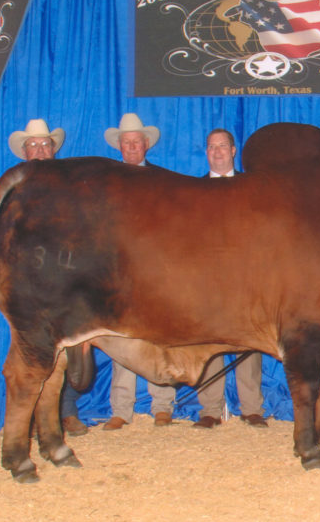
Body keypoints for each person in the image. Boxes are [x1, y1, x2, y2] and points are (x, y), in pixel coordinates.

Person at [7, 119, 89, 437]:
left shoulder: (71, 186)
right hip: (28, 283)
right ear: (25, 152)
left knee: (69, 352)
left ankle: (65, 413)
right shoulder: (13, 188)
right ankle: (25, 417)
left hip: (65, 280)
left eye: (45, 146)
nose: (40, 151)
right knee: (28, 351)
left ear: (53, 150)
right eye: (34, 146)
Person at [101, 113, 177, 430]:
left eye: (137, 141)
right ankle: (121, 409)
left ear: (146, 144)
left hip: (156, 270)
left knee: (159, 336)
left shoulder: (163, 180)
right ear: (120, 146)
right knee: (122, 338)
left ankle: (162, 405)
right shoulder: (106, 181)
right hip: (119, 271)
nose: (132, 146)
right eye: (127, 142)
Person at [193, 128, 267, 429]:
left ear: (234, 151)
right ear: (206, 152)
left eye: (223, 146)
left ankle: (251, 408)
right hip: (208, 278)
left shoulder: (253, 187)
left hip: (244, 275)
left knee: (248, 340)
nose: (217, 151)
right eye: (211, 147)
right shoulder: (193, 190)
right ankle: (210, 409)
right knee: (209, 341)